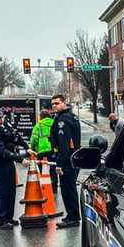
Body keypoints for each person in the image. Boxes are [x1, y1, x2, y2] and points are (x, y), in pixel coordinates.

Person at [0, 106, 29, 230]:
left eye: (2, 117)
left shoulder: (5, 125)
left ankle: (9, 217)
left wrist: (26, 147)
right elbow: (2, 150)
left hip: (8, 163)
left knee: (11, 190)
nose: (2, 120)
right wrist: (20, 159)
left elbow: (16, 136)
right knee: (1, 192)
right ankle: (1, 221)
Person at [50, 94, 81, 228]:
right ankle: (72, 215)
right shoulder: (70, 116)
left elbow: (64, 144)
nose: (54, 106)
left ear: (64, 103)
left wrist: (59, 164)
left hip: (67, 160)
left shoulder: (64, 119)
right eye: (52, 104)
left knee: (68, 189)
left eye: (57, 103)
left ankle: (73, 217)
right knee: (70, 188)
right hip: (73, 157)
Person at [30, 108, 58, 194]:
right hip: (53, 150)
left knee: (42, 169)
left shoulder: (38, 126)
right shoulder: (54, 123)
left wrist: (32, 148)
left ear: (41, 117)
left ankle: (45, 187)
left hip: (41, 150)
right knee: (53, 169)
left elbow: (34, 139)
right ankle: (54, 187)